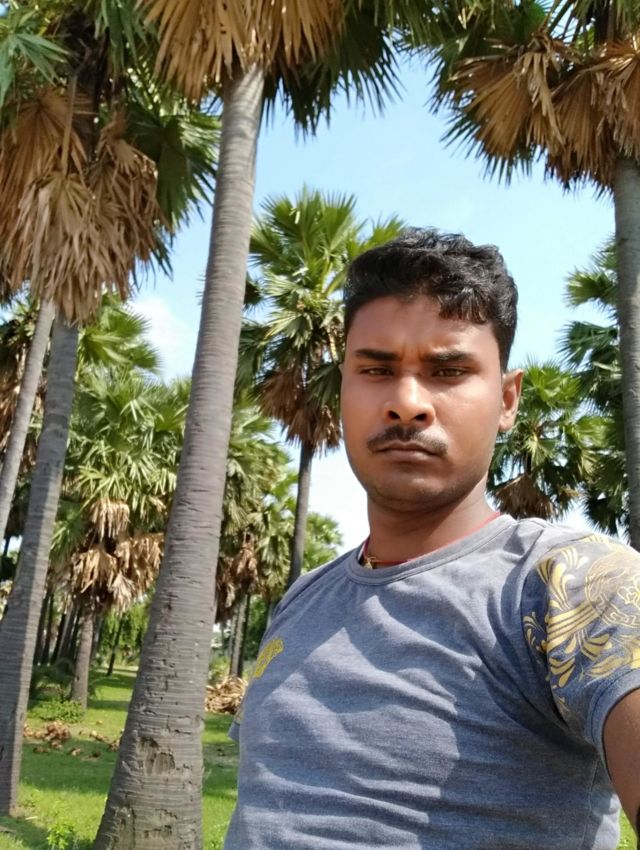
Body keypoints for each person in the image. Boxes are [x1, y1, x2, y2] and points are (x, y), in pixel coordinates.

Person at [223, 229, 640, 850]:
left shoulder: (571, 584)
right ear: (343, 389)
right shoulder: (305, 598)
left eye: (448, 371)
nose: (407, 403)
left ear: (507, 400)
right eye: (376, 369)